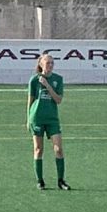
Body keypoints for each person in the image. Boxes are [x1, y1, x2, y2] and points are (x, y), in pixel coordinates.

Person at [27, 54, 70, 190]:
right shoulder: (34, 80)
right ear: (41, 64)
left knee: (58, 149)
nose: (50, 65)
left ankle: (61, 180)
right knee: (38, 149)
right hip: (37, 118)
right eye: (47, 63)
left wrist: (47, 85)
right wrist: (28, 119)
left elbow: (58, 100)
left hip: (52, 119)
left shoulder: (58, 79)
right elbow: (30, 100)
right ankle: (40, 180)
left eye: (52, 63)